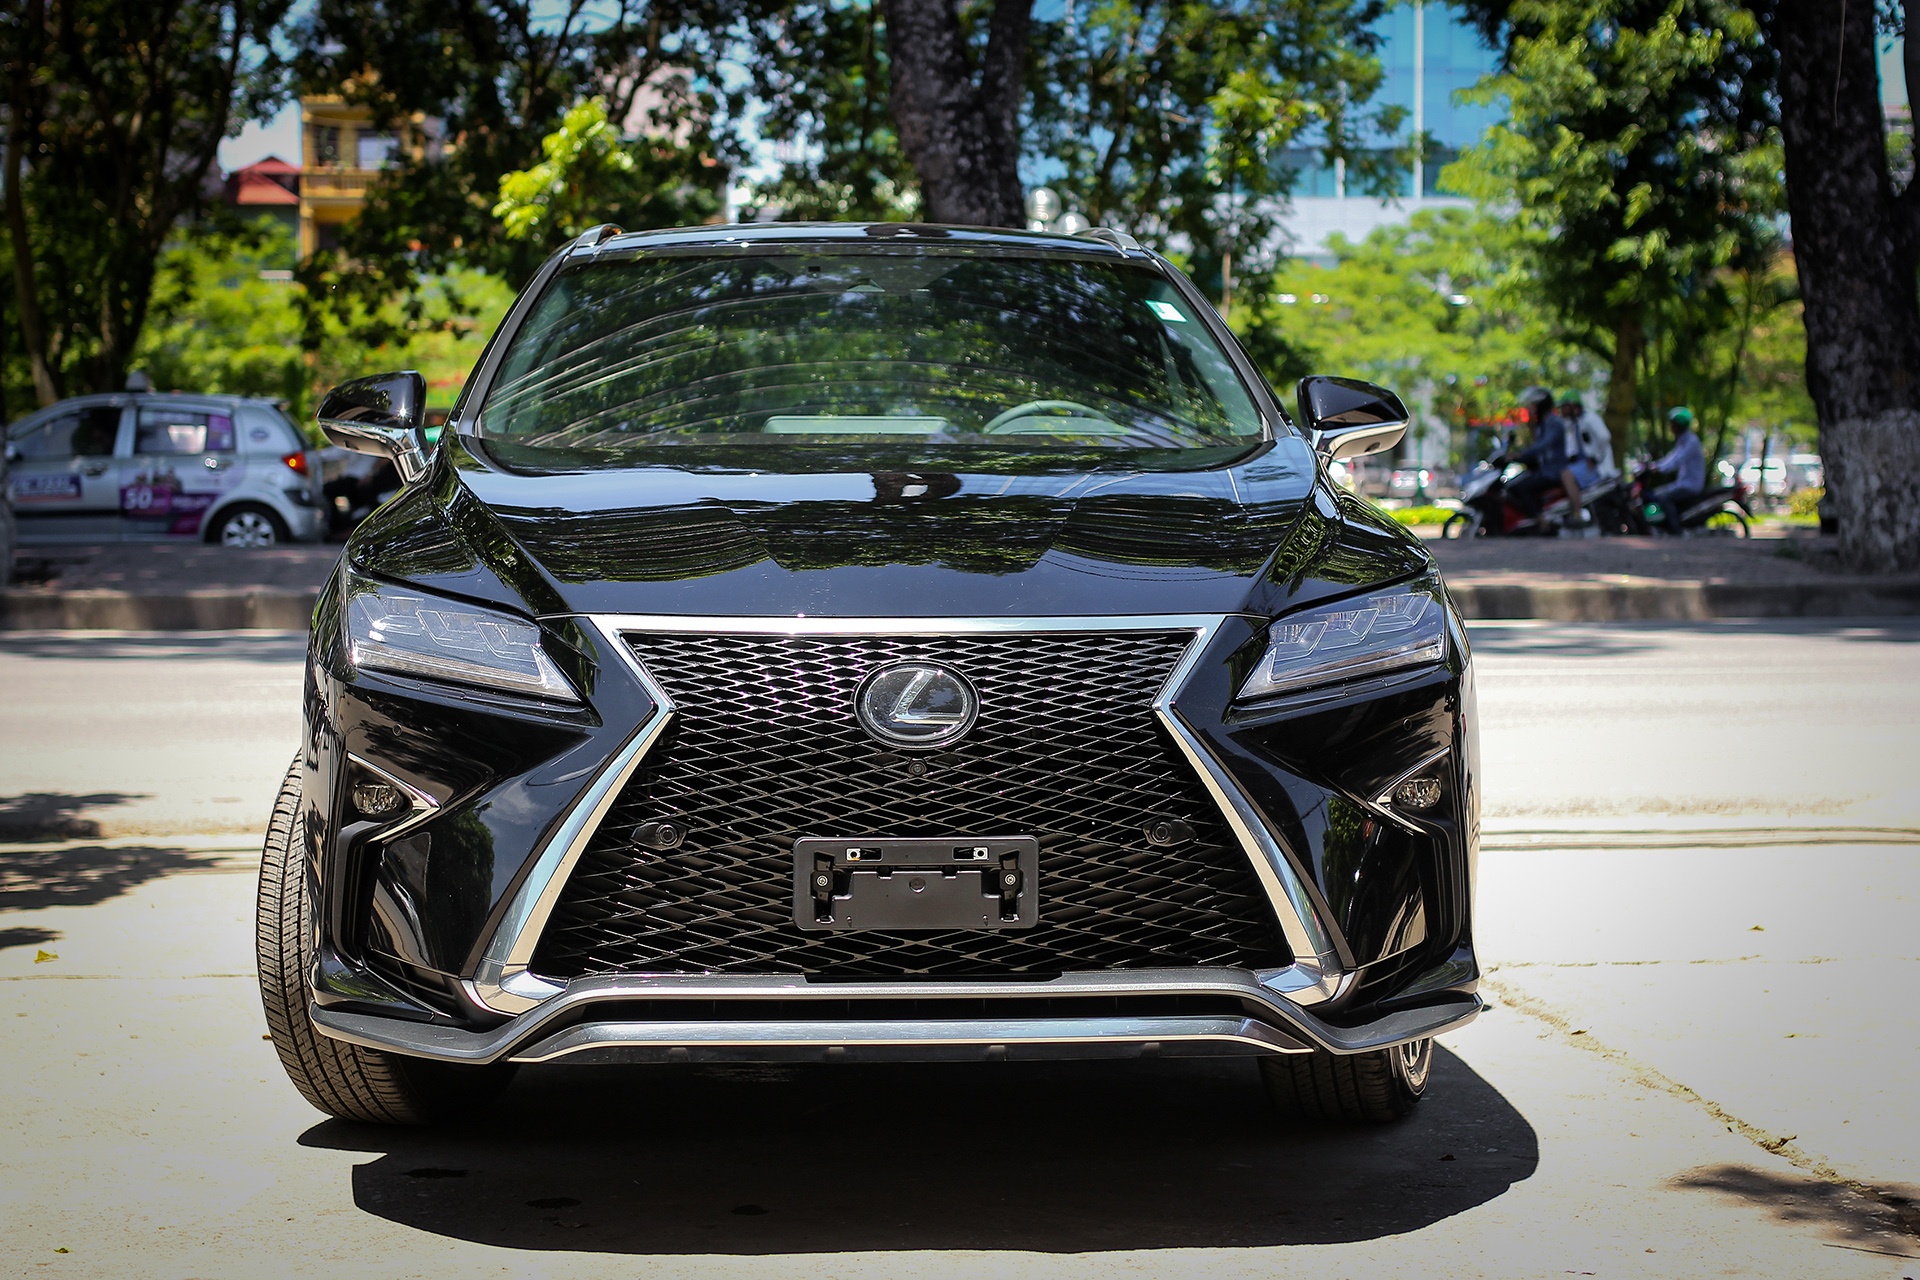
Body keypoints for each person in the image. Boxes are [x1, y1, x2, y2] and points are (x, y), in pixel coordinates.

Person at [1505, 385, 1577, 521]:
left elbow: (1543, 445)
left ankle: (1540, 521)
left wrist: (1521, 454)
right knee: (1512, 485)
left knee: (1522, 488)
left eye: (1532, 406)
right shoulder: (1541, 424)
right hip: (1543, 470)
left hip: (1553, 472)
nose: (1529, 410)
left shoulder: (1554, 423)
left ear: (1541, 405)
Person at [1555, 392, 1614, 526]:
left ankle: (1577, 513)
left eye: (1564, 407)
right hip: (1581, 464)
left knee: (1566, 475)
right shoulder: (1573, 423)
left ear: (1573, 406)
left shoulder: (1590, 418)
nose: (1562, 410)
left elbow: (1605, 437)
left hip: (1598, 467)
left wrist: (1595, 459)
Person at [1644, 406, 1705, 533]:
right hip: (1681, 484)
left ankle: (1676, 531)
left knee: (1665, 498)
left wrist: (1658, 469)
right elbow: (1670, 458)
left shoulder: (1691, 442)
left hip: (1690, 486)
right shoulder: (1682, 441)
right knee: (1655, 494)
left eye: (1672, 424)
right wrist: (1652, 466)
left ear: (1679, 425)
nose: (1670, 427)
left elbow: (1676, 462)